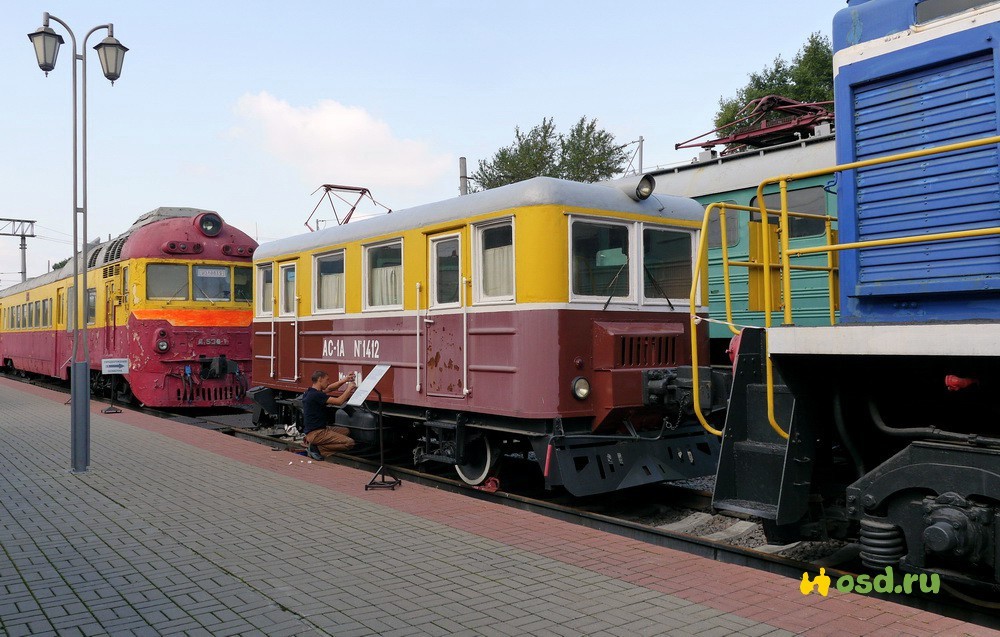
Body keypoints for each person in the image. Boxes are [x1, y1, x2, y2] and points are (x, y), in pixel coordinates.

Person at [301, 370, 357, 461]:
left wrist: (345, 380)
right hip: (317, 433)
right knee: (349, 443)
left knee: (345, 431)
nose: (328, 382)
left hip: (318, 430)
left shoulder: (309, 392)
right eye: (327, 380)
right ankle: (317, 449)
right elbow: (339, 402)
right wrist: (349, 389)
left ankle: (314, 445)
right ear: (320, 379)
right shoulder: (316, 395)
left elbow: (330, 388)